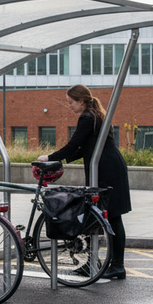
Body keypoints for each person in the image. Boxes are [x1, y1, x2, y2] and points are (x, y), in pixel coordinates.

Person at [36, 84, 131, 279]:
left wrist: (50, 158)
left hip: (107, 171)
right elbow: (83, 148)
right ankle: (96, 263)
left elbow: (74, 144)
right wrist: (59, 160)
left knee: (111, 216)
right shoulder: (96, 115)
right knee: (99, 217)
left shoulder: (88, 117)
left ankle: (117, 266)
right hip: (108, 168)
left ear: (82, 101)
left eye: (71, 102)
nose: (68, 105)